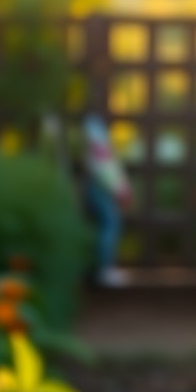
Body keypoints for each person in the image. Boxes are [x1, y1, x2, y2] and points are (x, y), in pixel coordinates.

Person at [79, 112, 132, 288]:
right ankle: (105, 270)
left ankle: (104, 268)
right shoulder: (99, 146)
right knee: (110, 225)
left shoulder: (93, 146)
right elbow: (106, 171)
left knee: (106, 225)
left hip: (98, 189)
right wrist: (120, 189)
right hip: (102, 190)